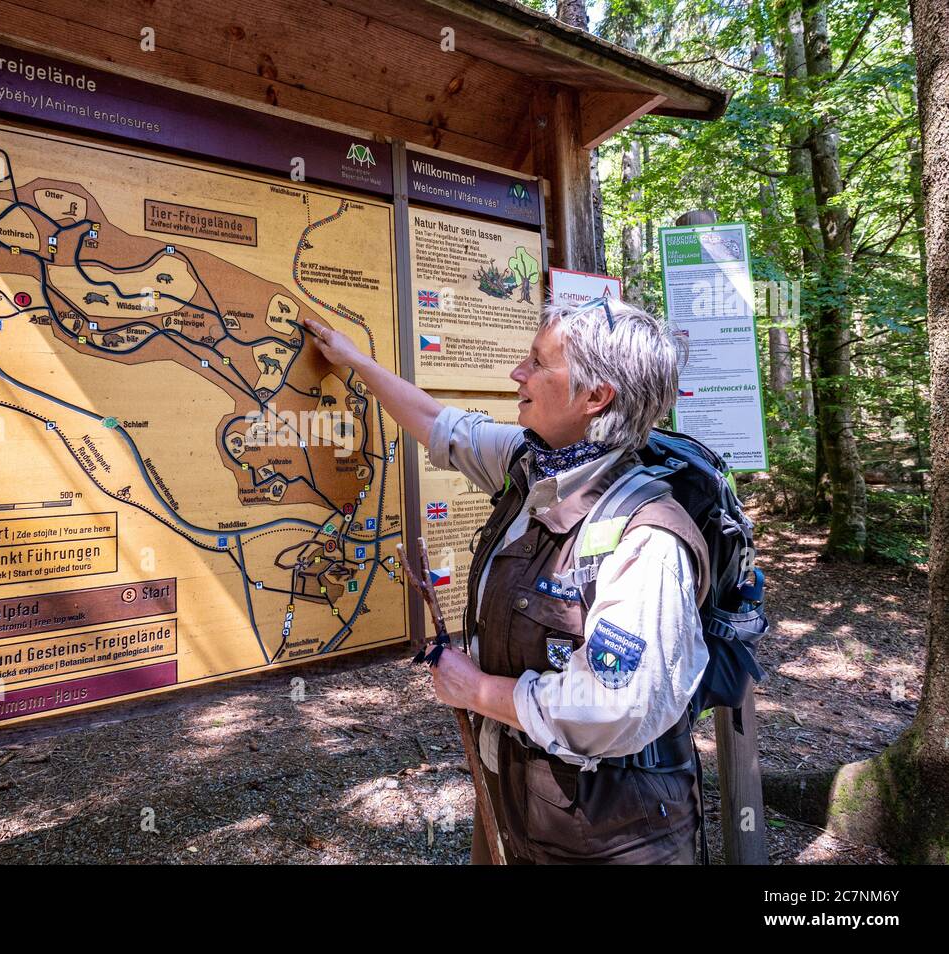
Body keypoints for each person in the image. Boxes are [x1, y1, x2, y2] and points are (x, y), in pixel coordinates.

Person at [301, 298, 710, 864]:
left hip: (611, 838)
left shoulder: (648, 539)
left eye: (539, 363)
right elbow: (436, 425)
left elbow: (615, 704)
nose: (518, 374)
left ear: (596, 397)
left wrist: (480, 692)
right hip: (518, 807)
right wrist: (355, 362)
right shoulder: (533, 464)